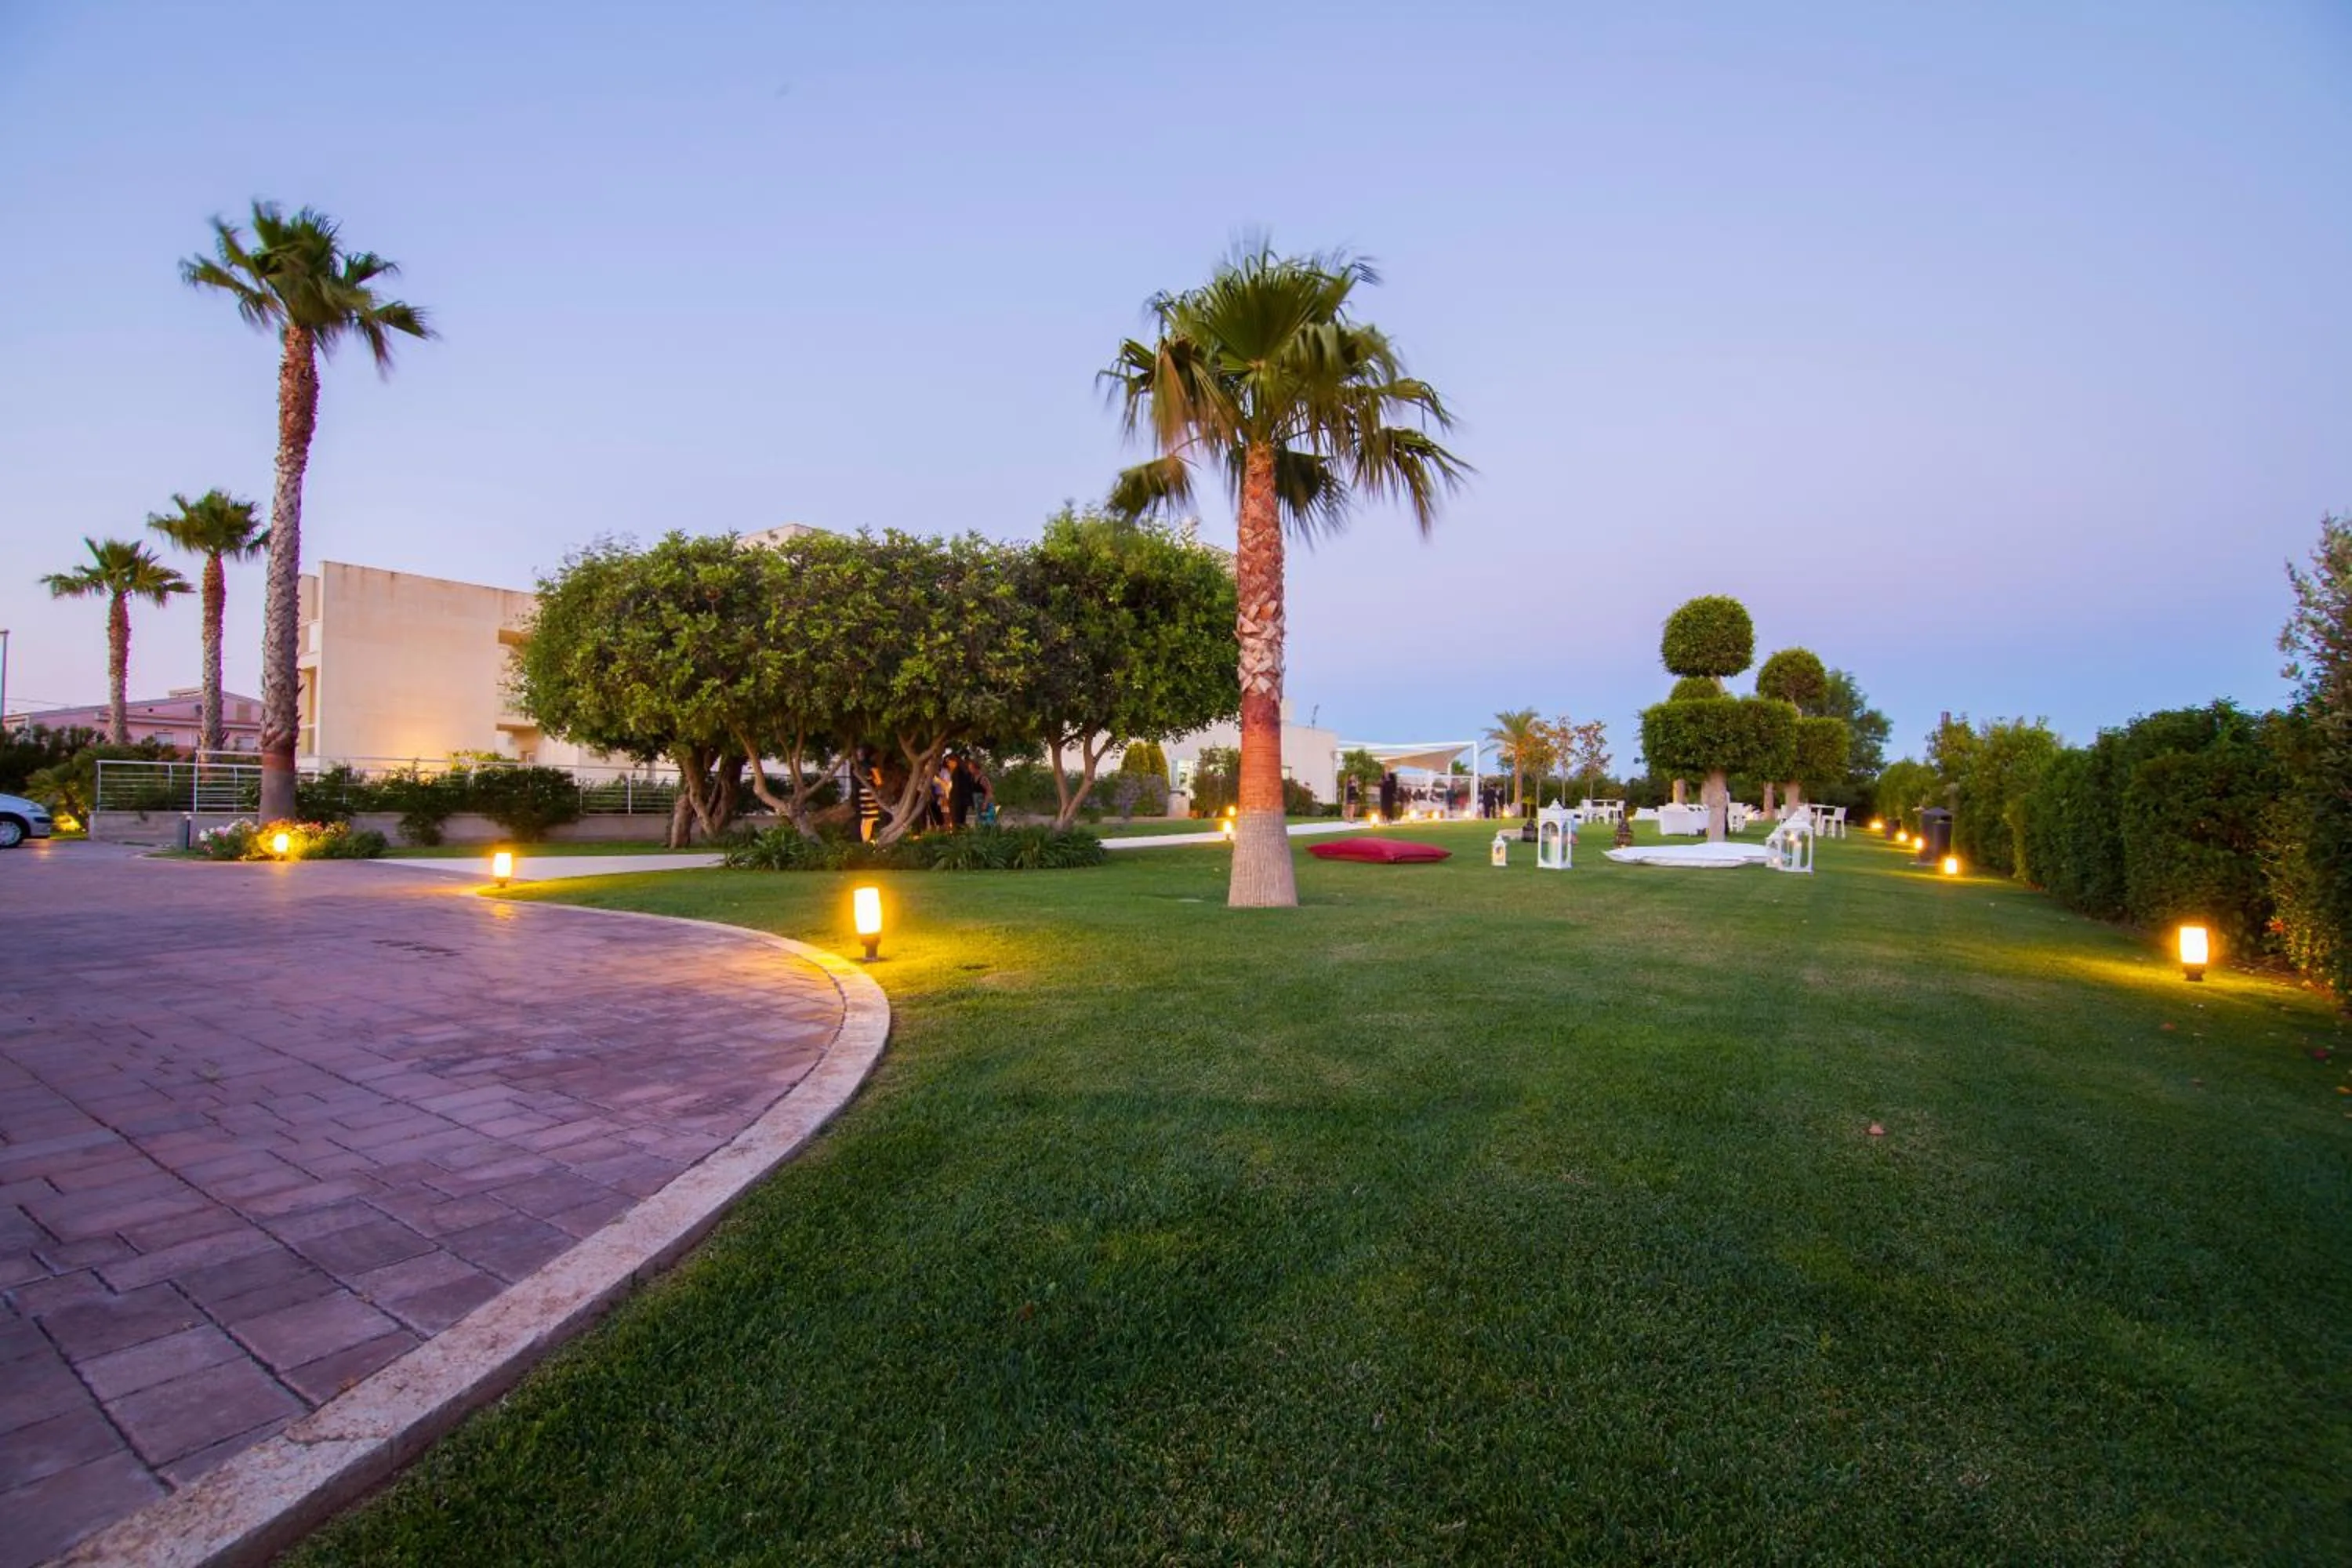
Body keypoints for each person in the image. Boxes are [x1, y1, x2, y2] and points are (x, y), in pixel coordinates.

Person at [947, 753, 977, 829]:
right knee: (961, 821)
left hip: (956, 800)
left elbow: (957, 787)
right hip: (964, 800)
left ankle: (957, 837)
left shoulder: (957, 772)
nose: (948, 764)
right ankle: (961, 837)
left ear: (954, 761)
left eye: (949, 762)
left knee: (956, 822)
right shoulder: (966, 771)